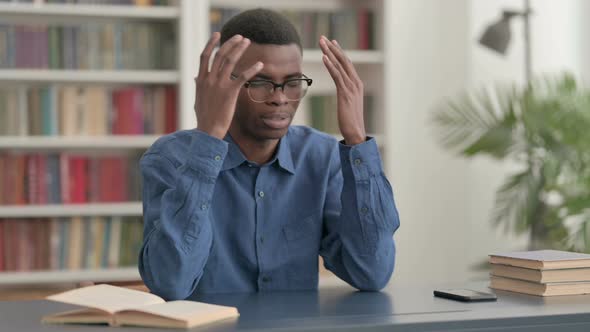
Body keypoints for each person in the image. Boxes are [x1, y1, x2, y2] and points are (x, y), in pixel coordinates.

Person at [138, 8, 400, 300]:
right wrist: (208, 138)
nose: (279, 98)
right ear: (225, 82)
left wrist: (356, 139)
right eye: (261, 83)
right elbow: (171, 282)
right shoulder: (170, 159)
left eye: (292, 83)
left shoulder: (322, 158)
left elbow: (372, 272)